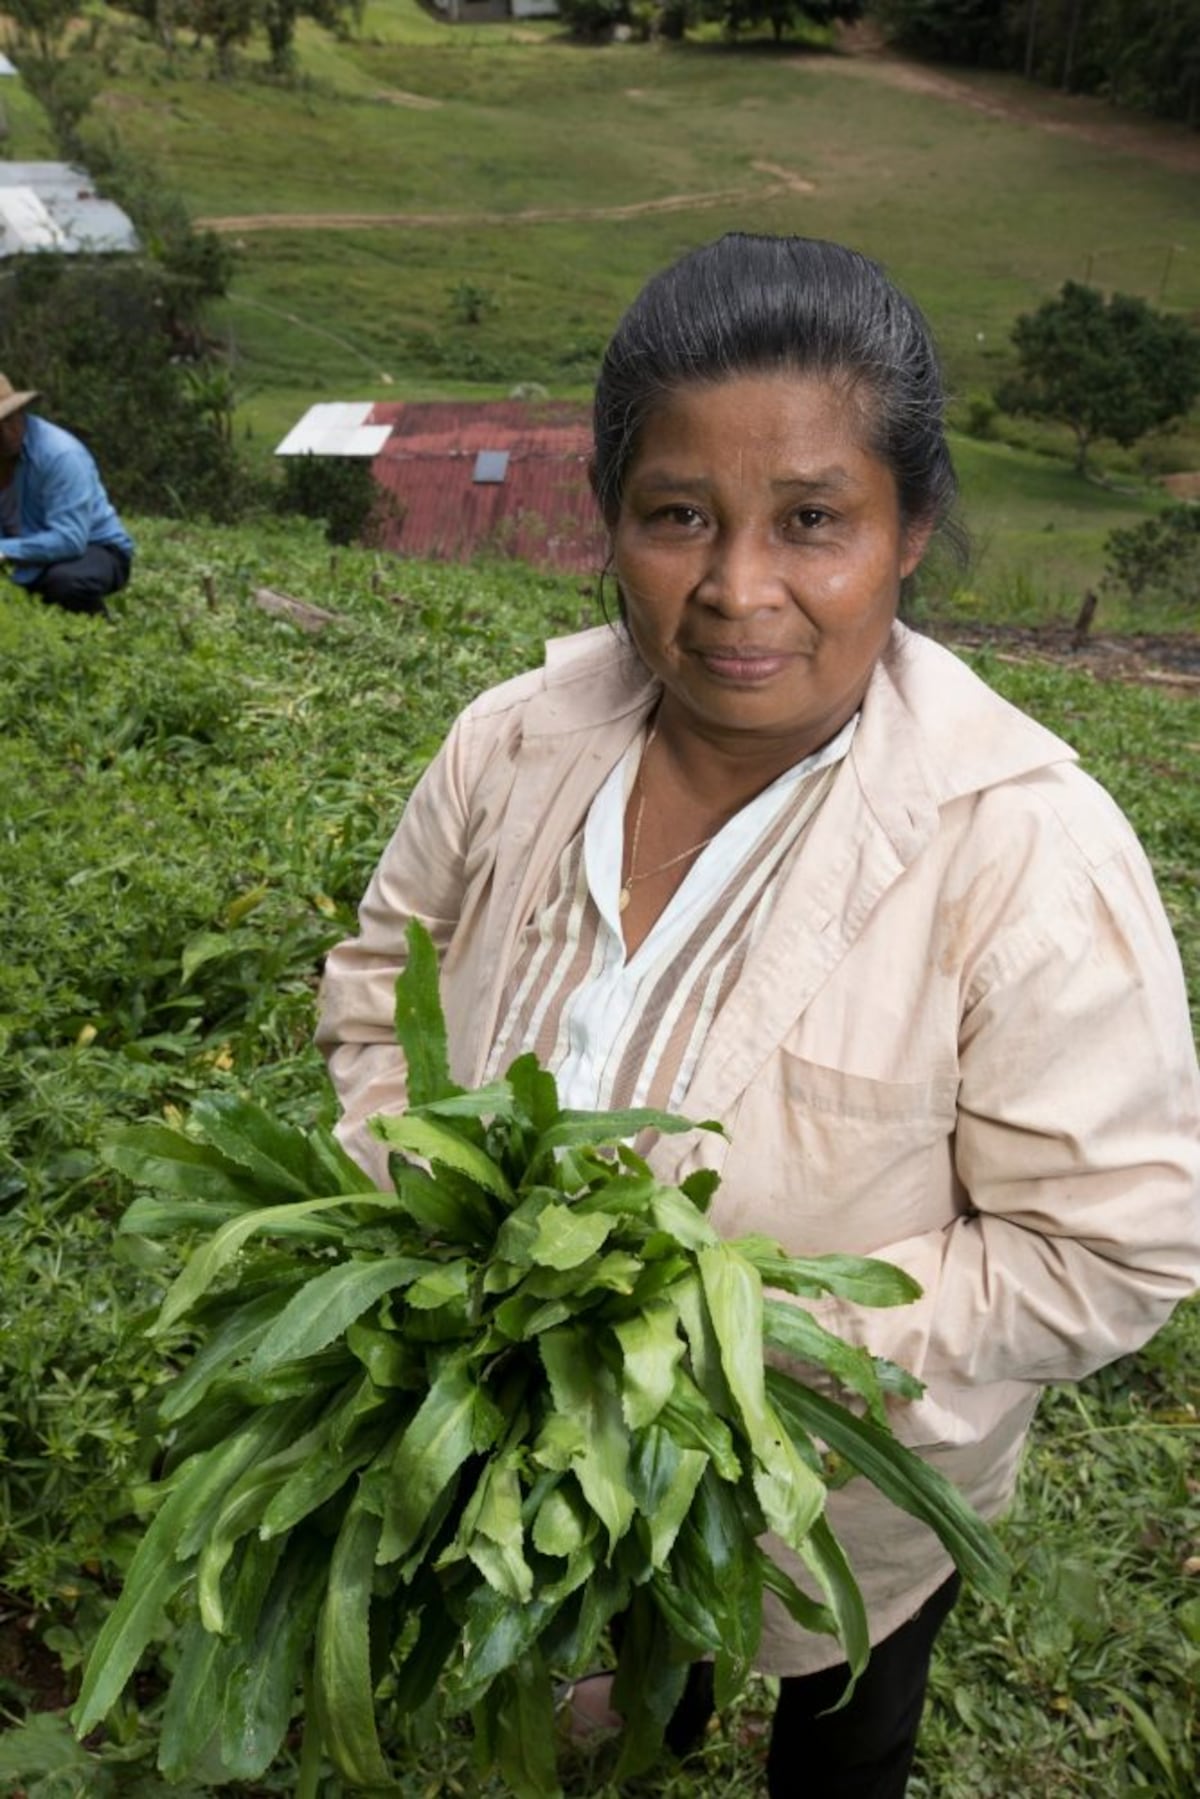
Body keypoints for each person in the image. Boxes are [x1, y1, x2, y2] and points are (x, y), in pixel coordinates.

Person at [315, 235, 1200, 1798]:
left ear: (910, 525)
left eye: (813, 520)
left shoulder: (1026, 854)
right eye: (678, 518)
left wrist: (737, 1336)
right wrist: (422, 1207)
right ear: (611, 520)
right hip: (541, 1432)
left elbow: (1108, 1247)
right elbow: (385, 979)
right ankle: (631, 1707)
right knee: (613, 1680)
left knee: (844, 1708)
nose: (737, 590)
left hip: (838, 1478)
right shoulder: (510, 748)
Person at [0, 374, 134, 615]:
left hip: (92, 546)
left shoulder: (59, 455)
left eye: (10, 420)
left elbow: (70, 539)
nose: (5, 432)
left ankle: (96, 632)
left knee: (65, 582)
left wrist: (5, 550)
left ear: (20, 412)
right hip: (17, 550)